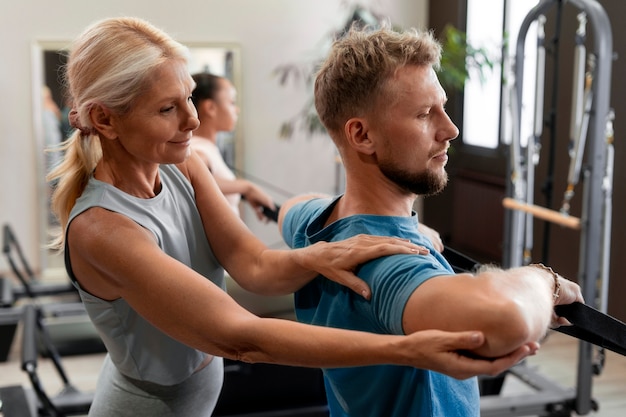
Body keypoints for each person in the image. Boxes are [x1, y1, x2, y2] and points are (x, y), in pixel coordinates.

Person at [46, 17, 535, 417]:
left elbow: (252, 264)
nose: (194, 120)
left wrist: (322, 252)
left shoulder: (184, 165)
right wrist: (404, 348)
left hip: (201, 391)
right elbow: (241, 338)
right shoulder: (100, 230)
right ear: (105, 120)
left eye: (191, 96)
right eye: (168, 108)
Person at [278, 24, 584, 417]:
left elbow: (294, 205)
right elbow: (505, 317)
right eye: (425, 114)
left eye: (442, 107)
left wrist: (408, 224)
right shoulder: (386, 262)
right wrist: (547, 281)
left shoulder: (316, 224)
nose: (450, 129)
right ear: (361, 135)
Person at [190, 72, 275, 220]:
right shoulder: (199, 151)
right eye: (232, 102)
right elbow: (193, 180)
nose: (237, 110)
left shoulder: (206, 148)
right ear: (210, 107)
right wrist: (246, 187)